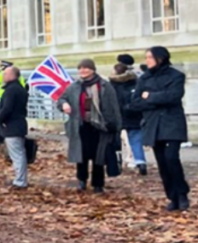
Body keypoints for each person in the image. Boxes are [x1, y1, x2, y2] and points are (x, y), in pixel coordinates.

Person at [131, 47, 191, 211]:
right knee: (162, 163)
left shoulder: (176, 76)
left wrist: (150, 97)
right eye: (146, 57)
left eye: (150, 57)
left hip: (172, 123)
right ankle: (172, 196)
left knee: (171, 158)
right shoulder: (144, 78)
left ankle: (182, 193)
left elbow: (173, 96)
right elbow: (136, 102)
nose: (147, 60)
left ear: (160, 58)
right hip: (153, 124)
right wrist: (155, 100)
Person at [58, 59, 121, 194]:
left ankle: (98, 184)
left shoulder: (104, 86)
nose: (83, 70)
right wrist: (64, 104)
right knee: (82, 155)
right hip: (81, 125)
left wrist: (116, 125)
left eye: (86, 68)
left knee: (99, 156)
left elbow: (114, 106)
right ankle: (82, 180)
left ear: (93, 69)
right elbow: (61, 99)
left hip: (101, 126)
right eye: (80, 68)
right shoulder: (74, 86)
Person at [0, 66, 29, 188]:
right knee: (18, 153)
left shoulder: (11, 90)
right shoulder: (20, 89)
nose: (3, 76)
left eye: (5, 74)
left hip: (11, 126)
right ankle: (20, 179)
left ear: (12, 75)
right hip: (18, 124)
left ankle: (20, 181)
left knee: (17, 154)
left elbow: (7, 108)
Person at [110, 62, 146, 176]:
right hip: (133, 114)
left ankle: (117, 162)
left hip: (116, 115)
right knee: (135, 139)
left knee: (116, 141)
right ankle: (140, 161)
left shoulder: (112, 84)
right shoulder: (135, 82)